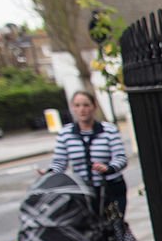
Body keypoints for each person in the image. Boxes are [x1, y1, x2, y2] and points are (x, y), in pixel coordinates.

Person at [46, 91, 128, 219]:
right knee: (89, 231)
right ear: (72, 108)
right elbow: (60, 162)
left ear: (94, 107)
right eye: (77, 105)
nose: (82, 110)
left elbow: (121, 158)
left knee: (113, 228)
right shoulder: (65, 133)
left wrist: (108, 168)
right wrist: (49, 173)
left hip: (110, 189)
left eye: (86, 105)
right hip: (83, 191)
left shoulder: (109, 130)